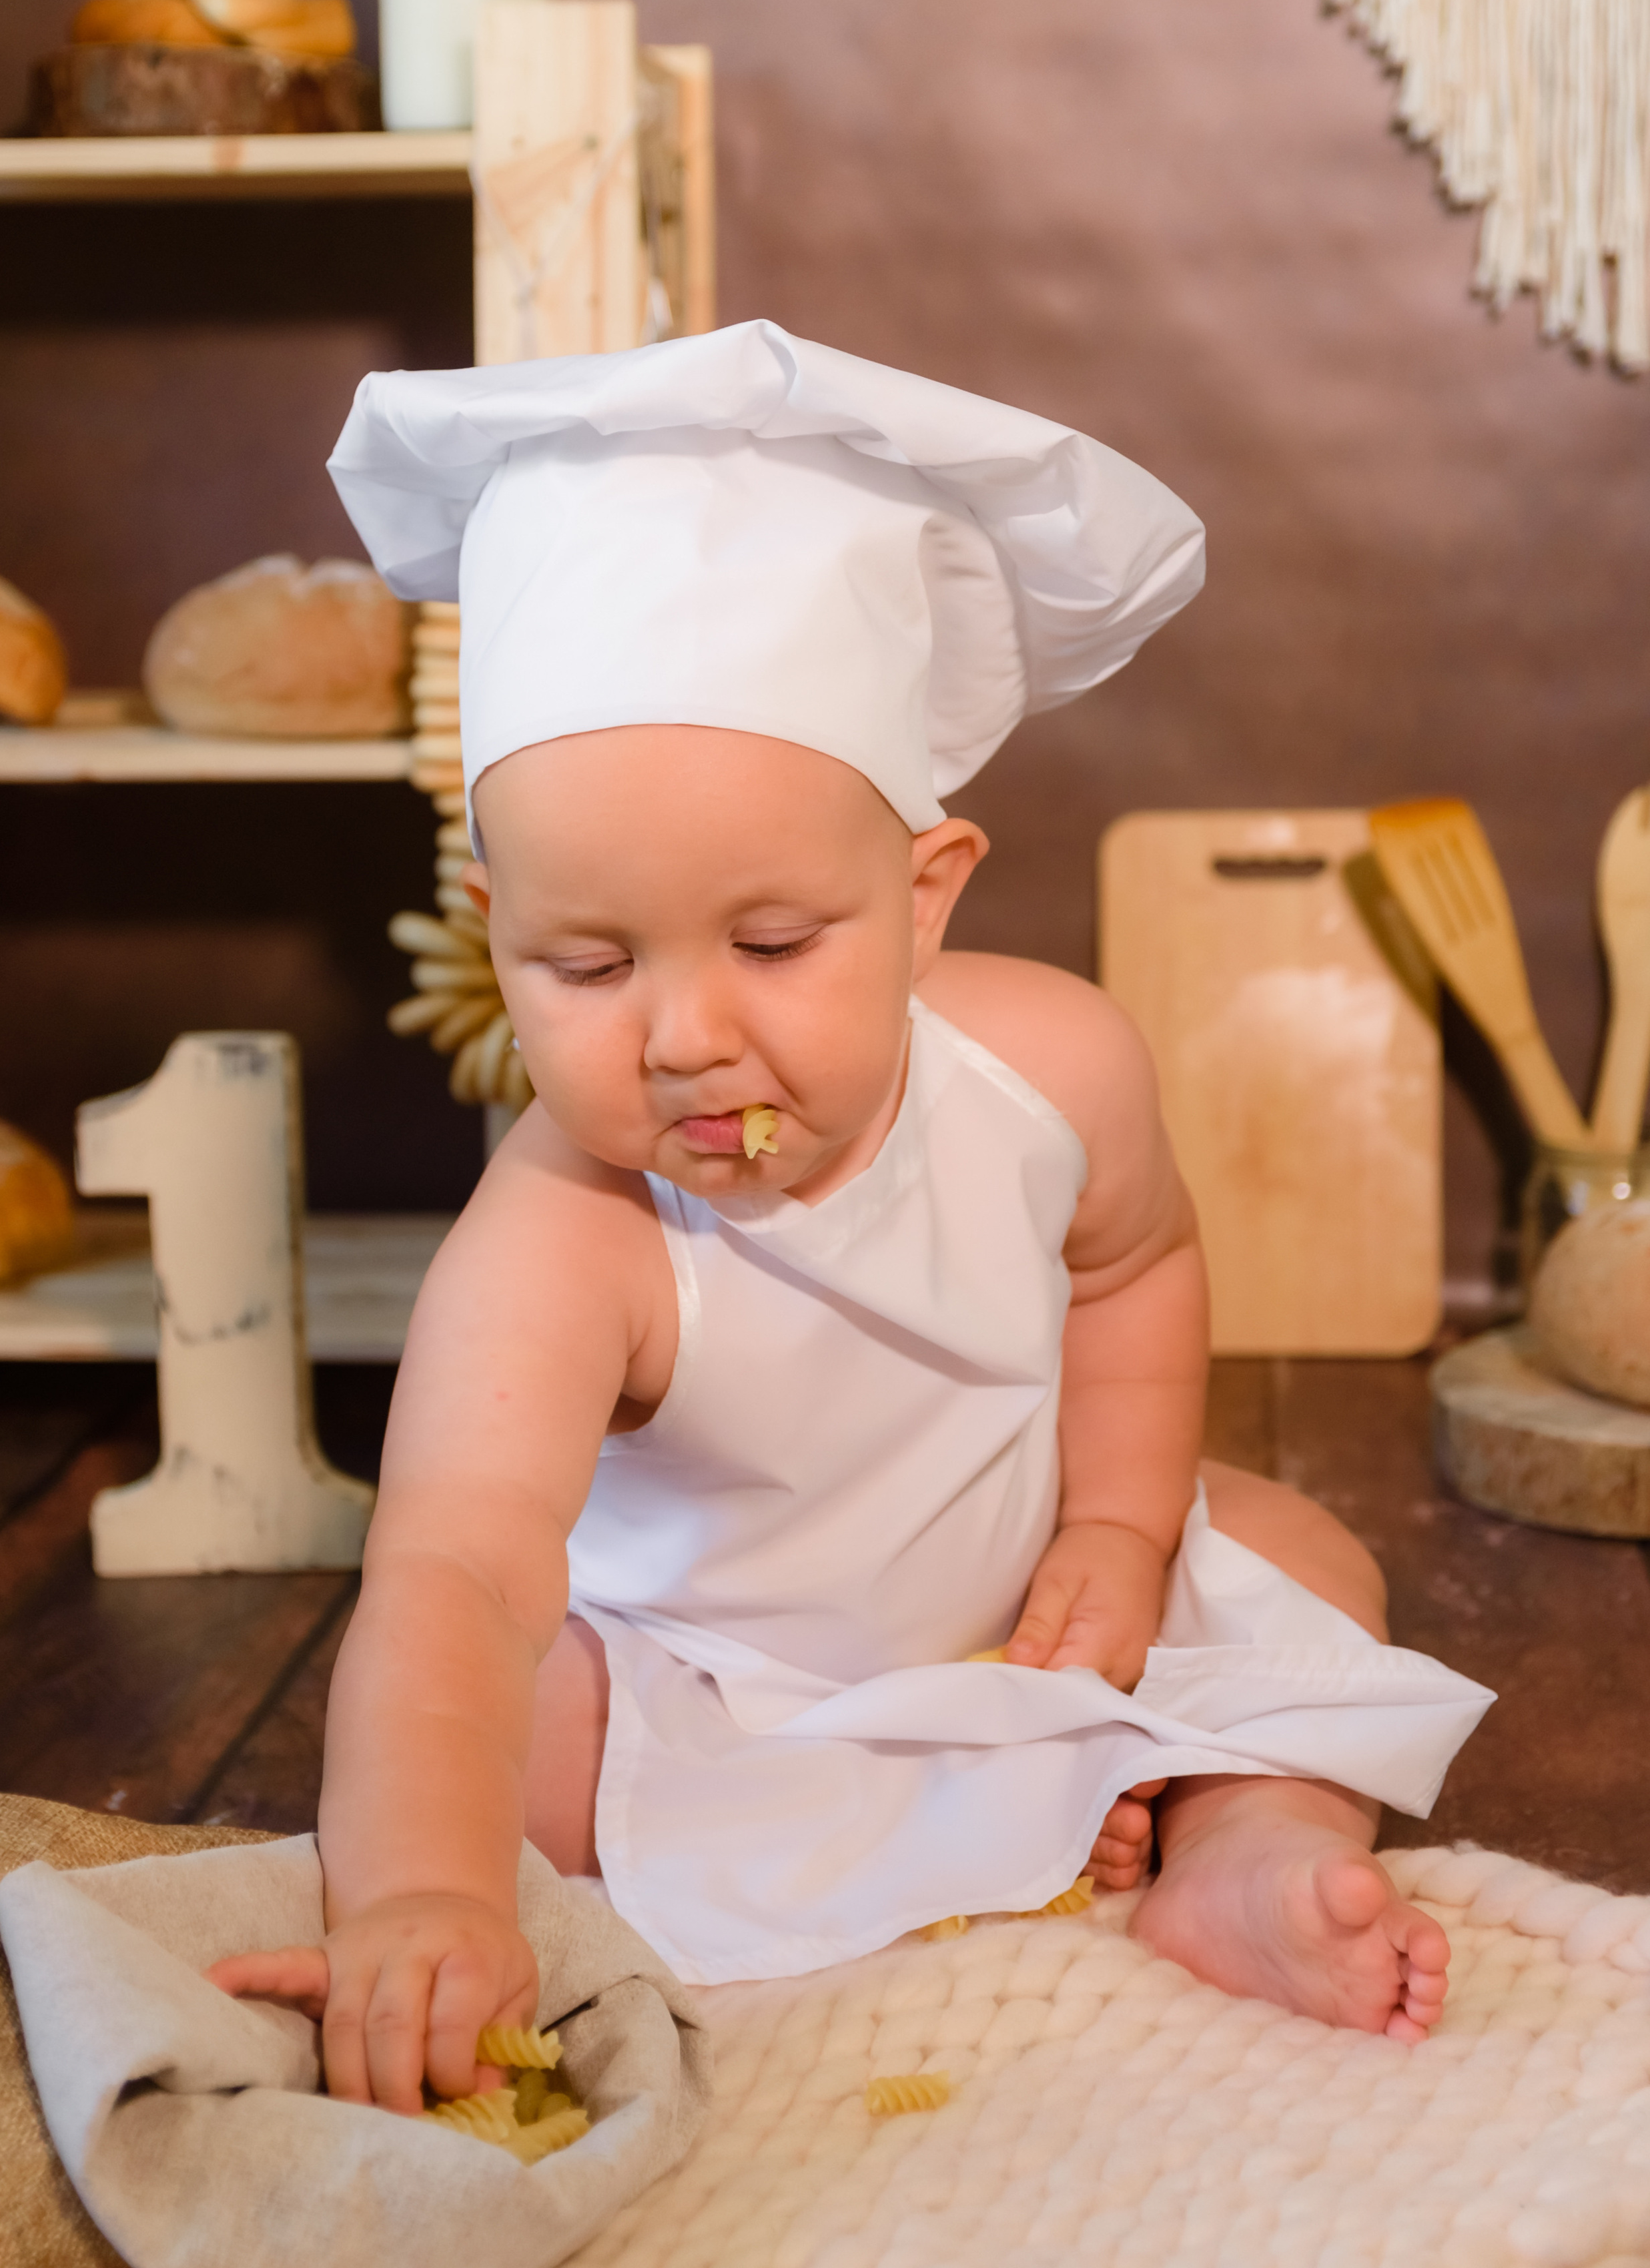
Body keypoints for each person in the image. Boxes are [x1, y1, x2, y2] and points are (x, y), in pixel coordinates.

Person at [209, 322, 1491, 2116]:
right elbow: (458, 1568)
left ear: (924, 893)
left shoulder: (1053, 1067)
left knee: (1295, 1552)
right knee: (524, 1729)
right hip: (716, 1682)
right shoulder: (565, 1233)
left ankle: (1241, 1853)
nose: (682, 1034)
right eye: (582, 964)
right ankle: (995, 1811)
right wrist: (421, 1888)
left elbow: (1136, 1268)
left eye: (772, 944)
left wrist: (1120, 1528)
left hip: (1013, 1599)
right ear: (493, 927)